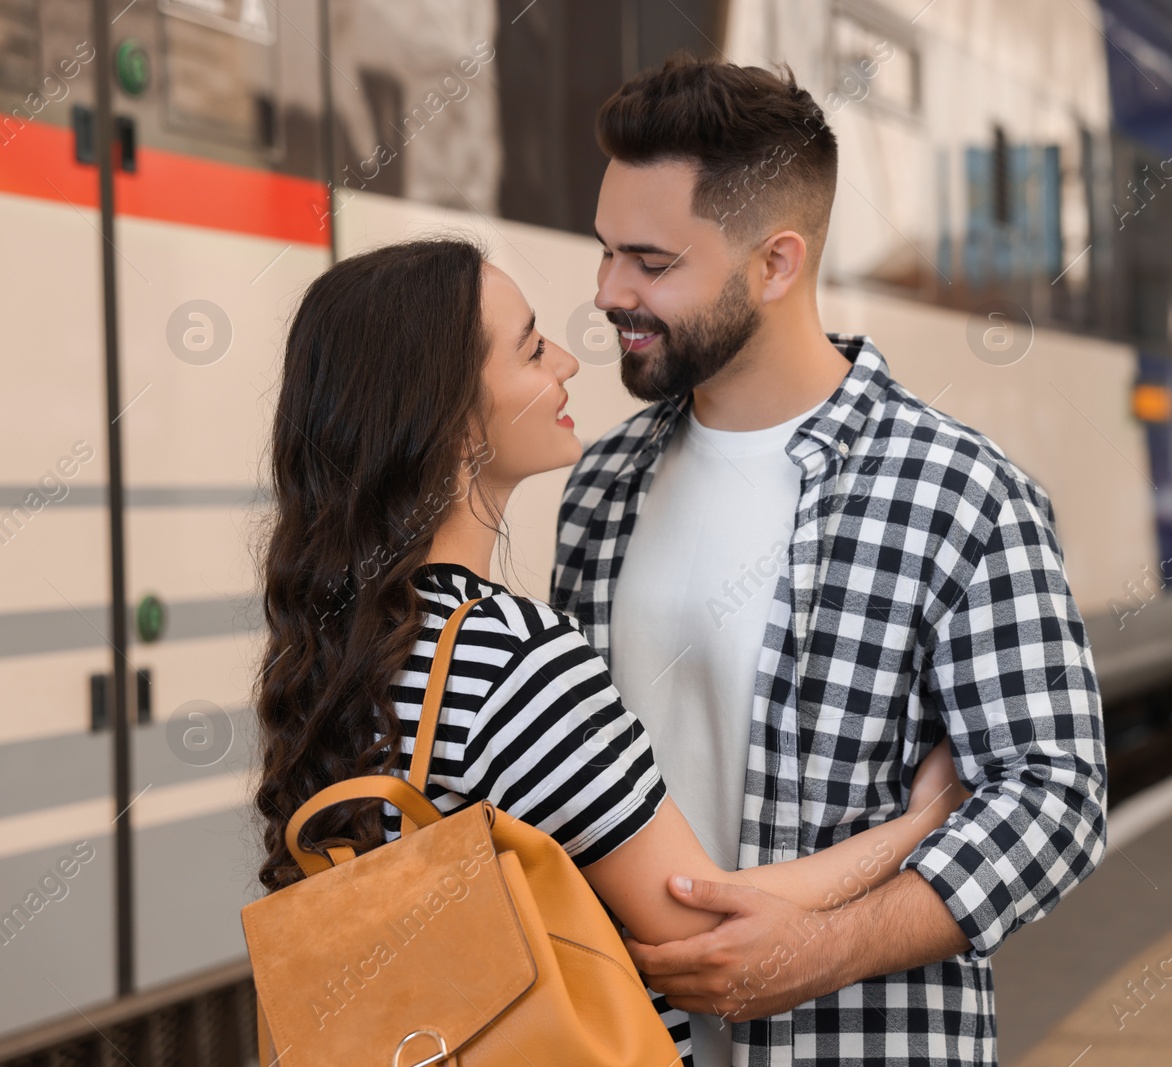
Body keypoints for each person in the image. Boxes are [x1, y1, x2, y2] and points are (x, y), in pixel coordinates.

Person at [251, 238, 971, 1063]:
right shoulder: (513, 660)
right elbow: (700, 920)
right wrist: (917, 825)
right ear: (453, 424)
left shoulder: (346, 645)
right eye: (529, 349)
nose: (566, 361)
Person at [553, 56, 1108, 1067]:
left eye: (650, 262)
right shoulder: (600, 490)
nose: (607, 293)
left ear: (775, 264)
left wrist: (823, 948)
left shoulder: (959, 493)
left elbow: (1056, 797)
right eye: (605, 253)